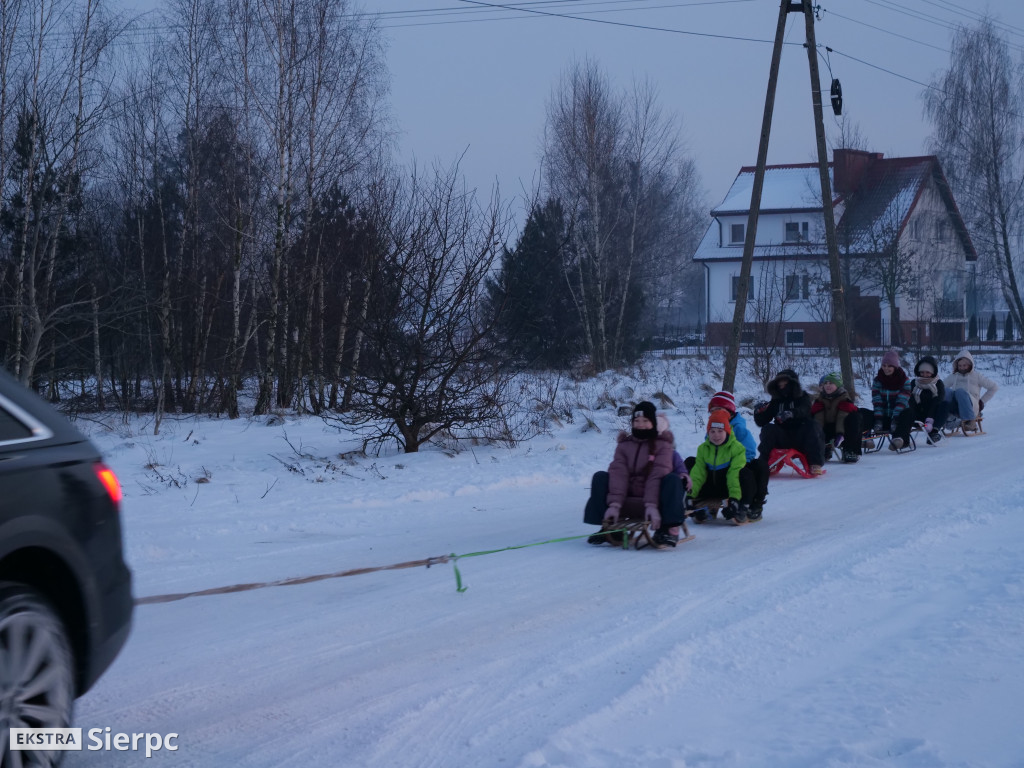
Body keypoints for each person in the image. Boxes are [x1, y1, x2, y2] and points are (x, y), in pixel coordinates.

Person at [583, 401, 686, 547]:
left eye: (645, 421)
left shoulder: (662, 445)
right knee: (601, 477)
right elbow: (618, 474)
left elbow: (657, 475)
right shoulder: (624, 446)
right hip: (626, 500)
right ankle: (610, 528)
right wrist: (615, 505)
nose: (640, 424)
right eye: (636, 421)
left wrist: (651, 504)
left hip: (654, 504)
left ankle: (666, 530)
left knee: (672, 480)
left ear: (653, 423)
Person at [753, 369, 825, 513]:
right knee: (768, 428)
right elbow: (763, 421)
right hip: (783, 435)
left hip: (801, 435)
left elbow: (805, 410)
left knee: (813, 426)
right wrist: (758, 412)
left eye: (784, 383)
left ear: (792, 383)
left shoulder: (803, 397)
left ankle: (815, 462)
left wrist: (791, 413)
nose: (782, 386)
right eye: (779, 383)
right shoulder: (776, 400)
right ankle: (762, 464)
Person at [686, 409, 756, 525]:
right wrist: (690, 494)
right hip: (712, 487)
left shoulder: (737, 449)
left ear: (727, 431)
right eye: (712, 431)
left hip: (729, 488)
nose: (716, 435)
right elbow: (698, 474)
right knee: (690, 466)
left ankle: (742, 506)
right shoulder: (703, 449)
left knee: (745, 474)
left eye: (720, 431)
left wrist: (734, 498)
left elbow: (734, 474)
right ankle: (698, 504)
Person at [870, 349, 915, 451]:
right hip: (884, 417)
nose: (886, 368)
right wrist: (878, 419)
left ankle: (899, 439)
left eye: (889, 366)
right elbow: (877, 401)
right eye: (884, 365)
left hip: (899, 418)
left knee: (909, 412)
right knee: (862, 412)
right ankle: (866, 439)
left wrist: (895, 419)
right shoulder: (878, 381)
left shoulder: (904, 380)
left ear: (895, 367)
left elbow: (902, 401)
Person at [811, 372, 861, 463]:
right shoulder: (819, 399)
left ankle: (849, 450)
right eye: (825, 383)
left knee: (855, 417)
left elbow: (841, 417)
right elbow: (818, 420)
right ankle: (822, 449)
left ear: (838, 385)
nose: (827, 385)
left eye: (831, 383)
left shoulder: (844, 398)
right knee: (810, 419)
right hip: (825, 428)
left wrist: (840, 434)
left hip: (842, 429)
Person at [943, 349, 998, 429]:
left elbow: (994, 387)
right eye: (960, 366)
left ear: (970, 365)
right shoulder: (954, 376)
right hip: (956, 407)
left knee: (960, 392)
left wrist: (982, 402)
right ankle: (947, 417)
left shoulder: (977, 376)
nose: (962, 368)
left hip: (972, 407)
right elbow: (941, 387)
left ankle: (970, 421)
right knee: (946, 391)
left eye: (964, 365)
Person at [909, 356, 948, 443]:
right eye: (922, 372)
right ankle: (903, 431)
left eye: (928, 372)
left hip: (933, 416)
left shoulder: (938, 384)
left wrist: (930, 417)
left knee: (944, 404)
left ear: (933, 373)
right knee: (908, 399)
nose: (924, 375)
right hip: (917, 416)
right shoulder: (914, 383)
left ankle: (934, 432)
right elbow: (910, 402)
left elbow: (938, 400)